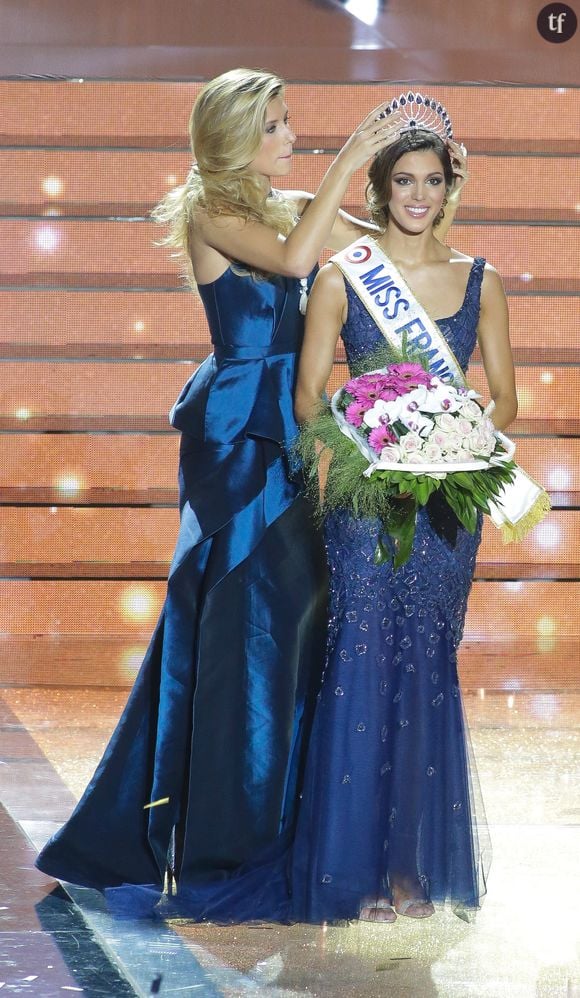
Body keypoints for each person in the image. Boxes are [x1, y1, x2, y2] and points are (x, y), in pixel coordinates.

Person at [34, 69, 434, 909]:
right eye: (279, 125)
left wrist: (413, 186)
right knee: (252, 620)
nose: (293, 134)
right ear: (237, 134)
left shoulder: (280, 198)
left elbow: (372, 241)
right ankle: (233, 838)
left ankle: (274, 820)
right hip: (239, 435)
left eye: (291, 122)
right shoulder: (211, 211)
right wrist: (345, 163)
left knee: (280, 622)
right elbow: (296, 258)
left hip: (286, 425)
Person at [290, 106, 517, 923]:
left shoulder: (480, 279)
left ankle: (412, 868)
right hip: (364, 501)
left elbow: (508, 400)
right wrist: (372, 443)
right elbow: (308, 395)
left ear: (450, 186)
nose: (417, 195)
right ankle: (352, 869)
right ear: (380, 190)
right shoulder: (342, 275)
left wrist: (450, 439)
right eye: (402, 181)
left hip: (446, 510)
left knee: (426, 668)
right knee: (360, 663)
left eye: (431, 180)